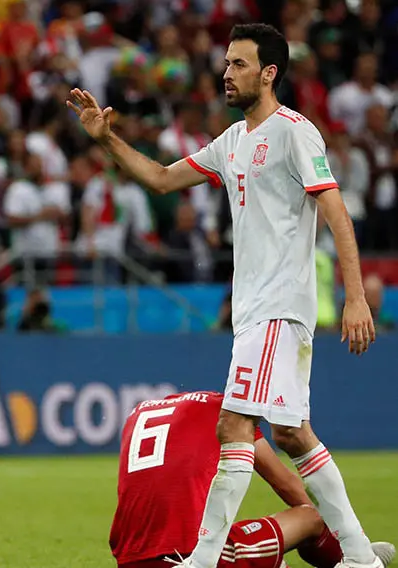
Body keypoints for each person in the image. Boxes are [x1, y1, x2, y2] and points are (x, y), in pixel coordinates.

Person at [69, 23, 380, 568]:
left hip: (279, 307)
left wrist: (354, 296)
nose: (225, 73)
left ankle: (204, 558)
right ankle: (359, 556)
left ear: (268, 73)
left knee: (234, 425)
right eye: (226, 63)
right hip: (254, 312)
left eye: (238, 64)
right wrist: (105, 139)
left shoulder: (294, 132)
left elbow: (335, 211)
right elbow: (163, 179)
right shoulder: (232, 141)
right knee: (291, 431)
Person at [110, 391, 396, 568]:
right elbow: (285, 484)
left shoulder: (138, 413)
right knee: (311, 518)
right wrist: (333, 532)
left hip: (130, 558)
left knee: (272, 559)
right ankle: (357, 559)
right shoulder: (227, 412)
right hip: (190, 556)